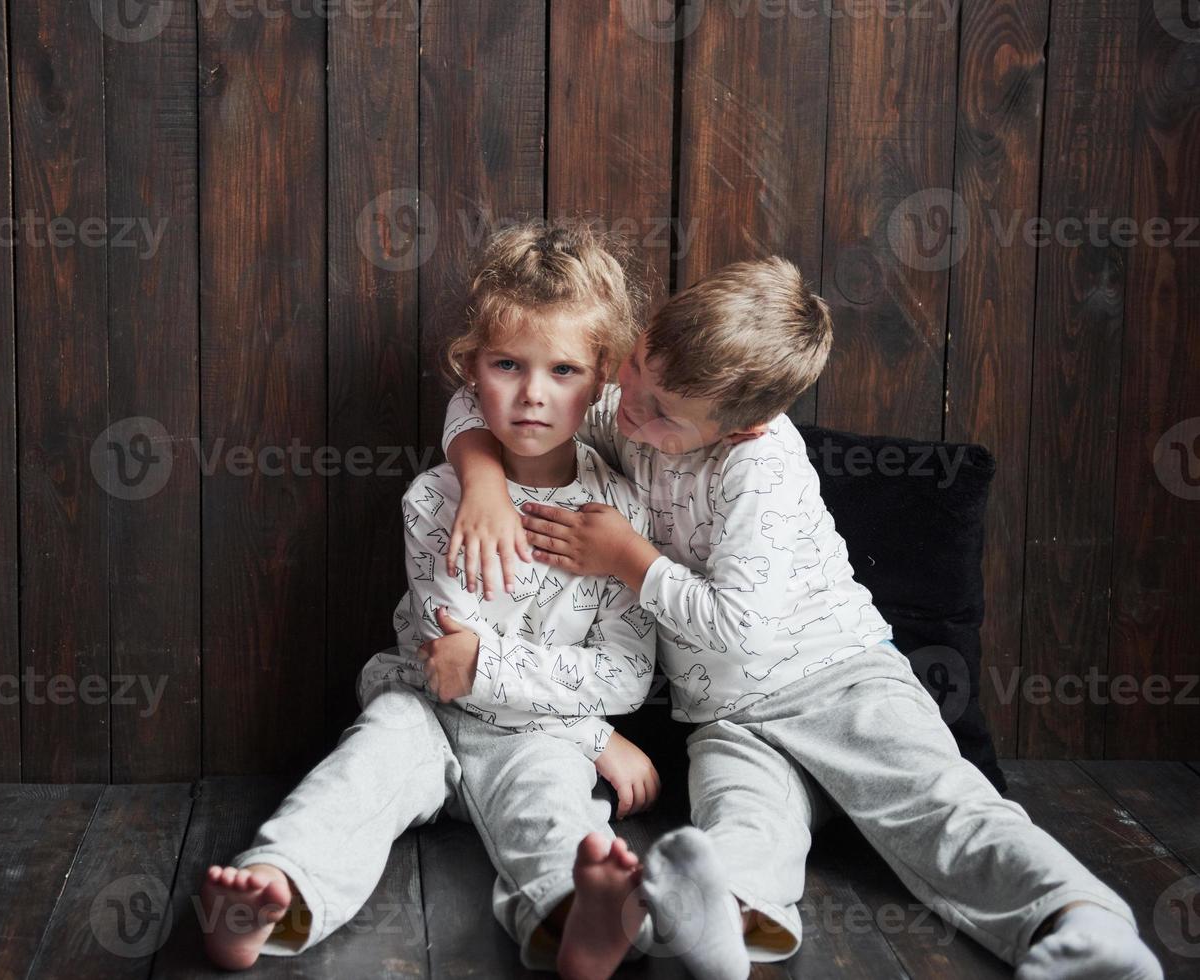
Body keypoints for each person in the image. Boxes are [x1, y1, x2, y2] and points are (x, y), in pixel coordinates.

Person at [441, 256, 1164, 980]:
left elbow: (737, 626)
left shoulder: (761, 468)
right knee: (739, 825)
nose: (630, 407)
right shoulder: (633, 404)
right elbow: (480, 401)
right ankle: (720, 922)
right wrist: (481, 482)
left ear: (746, 426)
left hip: (839, 682)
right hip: (727, 717)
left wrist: (631, 559)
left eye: (665, 413)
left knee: (938, 806)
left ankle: (1079, 923)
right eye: (635, 367)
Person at [200, 218, 666, 979]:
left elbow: (623, 676)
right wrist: (590, 733)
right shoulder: (436, 499)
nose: (531, 397)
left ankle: (574, 921)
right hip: (426, 710)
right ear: (471, 369)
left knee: (553, 813)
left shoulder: (620, 521)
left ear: (604, 375)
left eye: (562, 371)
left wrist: (574, 738)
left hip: (536, 740)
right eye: (507, 365)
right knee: (359, 774)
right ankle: (274, 892)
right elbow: (445, 659)